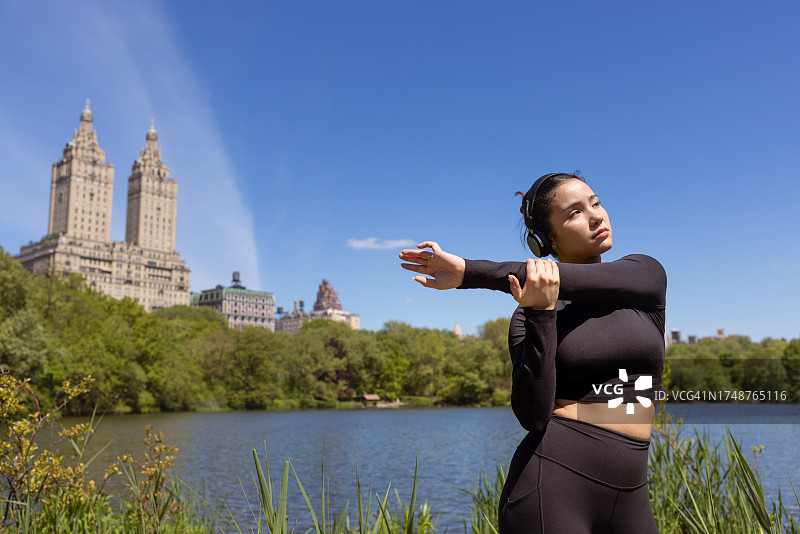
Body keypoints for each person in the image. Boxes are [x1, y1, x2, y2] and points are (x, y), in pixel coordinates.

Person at [398, 172, 665, 533]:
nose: (596, 216)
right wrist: (541, 314)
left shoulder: (643, 277)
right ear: (546, 241)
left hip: (632, 490)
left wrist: (468, 272)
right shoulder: (529, 314)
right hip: (553, 484)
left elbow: (564, 278)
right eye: (574, 213)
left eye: (595, 203)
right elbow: (534, 416)